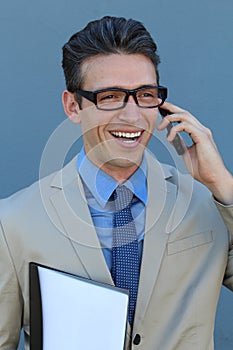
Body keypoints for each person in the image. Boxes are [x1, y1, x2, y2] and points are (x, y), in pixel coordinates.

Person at [0, 15, 232, 350]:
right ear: (72, 106)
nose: (132, 116)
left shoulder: (210, 203)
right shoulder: (13, 222)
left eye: (145, 95)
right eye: (110, 96)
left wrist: (223, 184)